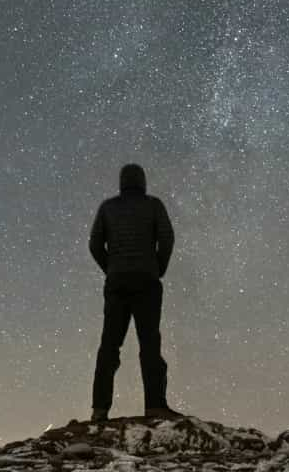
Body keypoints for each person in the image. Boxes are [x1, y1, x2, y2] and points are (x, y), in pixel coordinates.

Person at [89, 163, 183, 421]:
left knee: (109, 345)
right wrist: (158, 267)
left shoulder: (108, 207)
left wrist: (111, 268)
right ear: (143, 181)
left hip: (117, 283)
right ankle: (154, 406)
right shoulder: (153, 205)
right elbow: (167, 237)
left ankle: (99, 409)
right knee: (150, 343)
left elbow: (95, 243)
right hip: (147, 282)